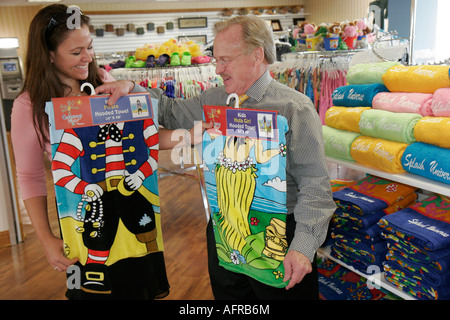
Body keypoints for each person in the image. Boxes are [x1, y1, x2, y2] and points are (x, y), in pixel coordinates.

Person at [97, 15, 336, 300]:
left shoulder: (294, 108)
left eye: (226, 60)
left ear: (257, 54)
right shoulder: (213, 99)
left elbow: (314, 185)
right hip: (223, 234)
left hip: (277, 236)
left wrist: (302, 247)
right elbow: (171, 111)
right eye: (215, 59)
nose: (218, 69)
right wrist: (132, 89)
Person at [11, 4, 205, 300]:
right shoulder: (29, 106)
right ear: (48, 54)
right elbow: (29, 176)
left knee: (140, 272)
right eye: (76, 52)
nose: (87, 57)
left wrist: (189, 135)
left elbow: (146, 138)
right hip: (86, 211)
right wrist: (46, 239)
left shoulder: (102, 80)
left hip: (131, 199)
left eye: (89, 47)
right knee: (92, 280)